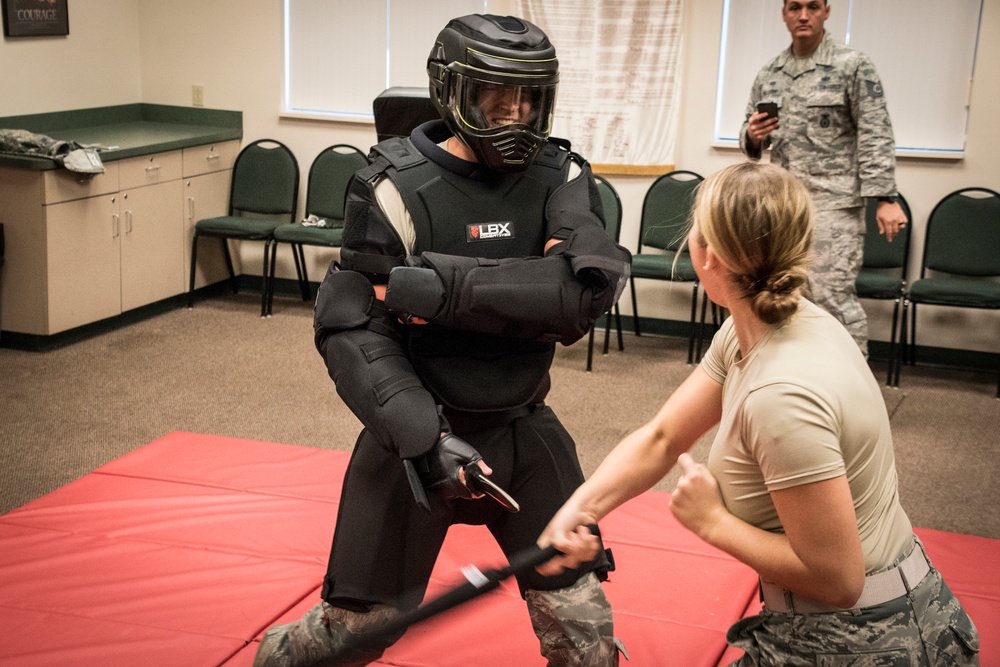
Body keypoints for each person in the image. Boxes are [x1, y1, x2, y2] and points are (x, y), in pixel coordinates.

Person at [254, 13, 631, 667]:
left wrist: (428, 289)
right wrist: (422, 434)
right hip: (415, 442)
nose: (517, 115)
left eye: (530, 98)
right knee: (351, 635)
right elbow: (351, 325)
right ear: (452, 91)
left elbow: (583, 295)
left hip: (523, 428)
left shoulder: (562, 175)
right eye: (498, 95)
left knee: (586, 636)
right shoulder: (393, 187)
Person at [537, 162, 980, 666]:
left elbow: (839, 580)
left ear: (711, 257)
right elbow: (663, 437)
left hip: (870, 639)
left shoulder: (782, 396)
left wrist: (711, 522)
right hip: (834, 622)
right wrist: (582, 508)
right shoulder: (762, 326)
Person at [740, 0, 908, 354]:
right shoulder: (770, 71)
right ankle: (799, 380)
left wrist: (886, 198)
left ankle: (853, 385)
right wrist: (754, 134)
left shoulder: (853, 65)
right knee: (783, 296)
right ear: (783, 13)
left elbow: (875, 131)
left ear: (827, 12)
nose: (804, 15)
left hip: (835, 205)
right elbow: (751, 137)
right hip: (784, 207)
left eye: (813, 7)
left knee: (832, 299)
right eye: (795, 7)